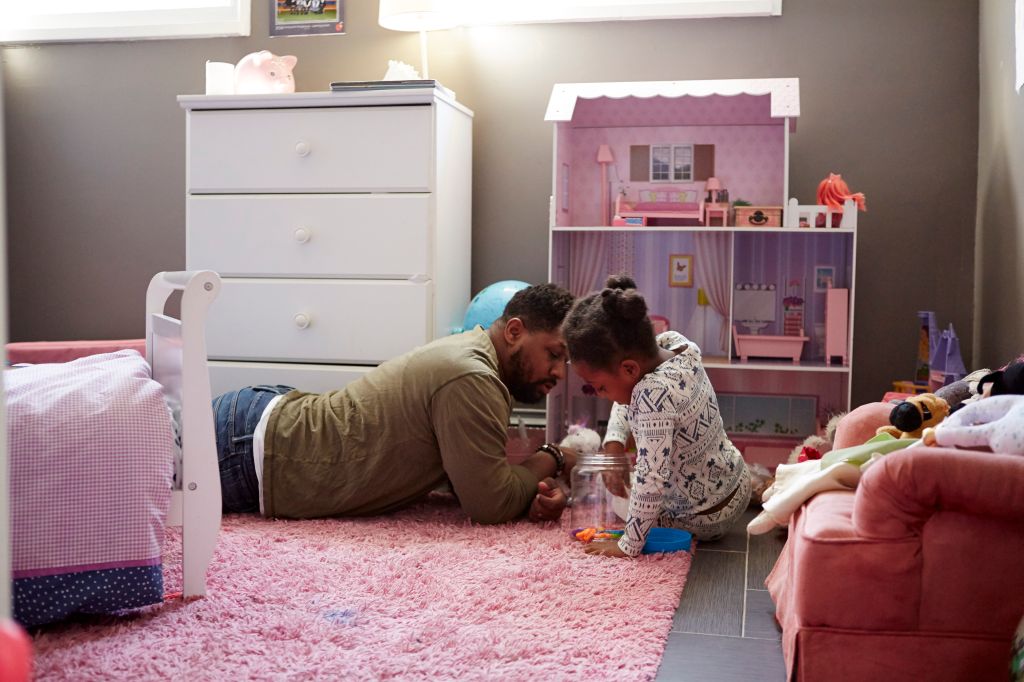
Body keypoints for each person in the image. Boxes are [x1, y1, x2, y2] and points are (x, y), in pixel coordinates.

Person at [212, 283, 578, 525]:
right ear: (514, 331)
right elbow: (490, 504)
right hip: (254, 453)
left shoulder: (473, 357)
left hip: (261, 424)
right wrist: (554, 456)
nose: (559, 373)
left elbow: (473, 480)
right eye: (553, 354)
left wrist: (531, 488)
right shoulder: (472, 378)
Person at [562, 274, 751, 557]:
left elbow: (651, 480)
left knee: (621, 499)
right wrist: (613, 440)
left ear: (628, 369)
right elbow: (631, 393)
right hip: (737, 484)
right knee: (629, 484)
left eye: (600, 387)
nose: (601, 394)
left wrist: (628, 545)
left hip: (705, 519)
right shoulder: (676, 345)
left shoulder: (651, 398)